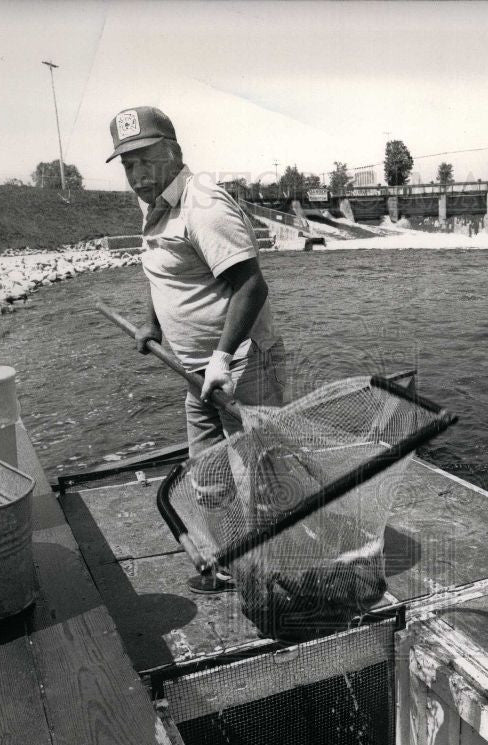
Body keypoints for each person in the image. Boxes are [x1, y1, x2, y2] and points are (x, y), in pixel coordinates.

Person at [107, 106, 286, 589]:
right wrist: (151, 326)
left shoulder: (203, 204)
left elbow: (251, 287)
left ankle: (273, 574)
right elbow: (161, 271)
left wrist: (222, 360)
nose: (137, 175)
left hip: (243, 368)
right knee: (208, 477)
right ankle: (231, 560)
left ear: (174, 152)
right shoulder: (156, 203)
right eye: (128, 165)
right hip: (196, 374)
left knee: (260, 478)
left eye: (145, 160)